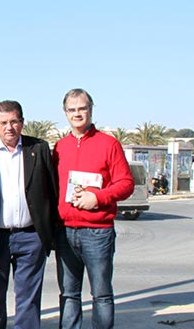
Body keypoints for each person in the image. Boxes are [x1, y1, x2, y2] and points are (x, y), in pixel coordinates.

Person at [0, 100, 59, 328]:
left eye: (14, 121)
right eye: (3, 122)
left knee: (28, 299)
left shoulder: (39, 149)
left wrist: (50, 231)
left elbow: (52, 190)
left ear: (22, 123)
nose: (9, 127)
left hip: (31, 237)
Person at [52, 88, 134, 329]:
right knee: (68, 294)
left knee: (101, 294)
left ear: (91, 109)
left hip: (98, 233)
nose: (77, 114)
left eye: (82, 108)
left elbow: (126, 183)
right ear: (65, 113)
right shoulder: (59, 147)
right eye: (72, 109)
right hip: (65, 232)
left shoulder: (109, 144)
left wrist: (97, 198)